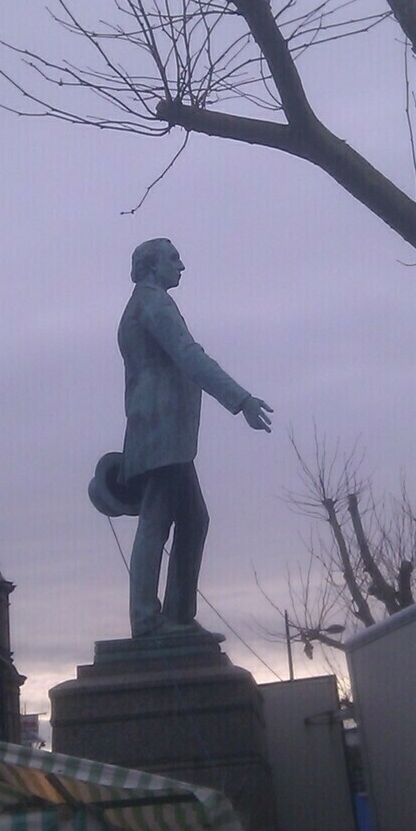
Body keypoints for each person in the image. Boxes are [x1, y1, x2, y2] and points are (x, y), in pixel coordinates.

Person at [117, 237, 272, 640]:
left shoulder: (146, 303)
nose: (182, 266)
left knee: (186, 519)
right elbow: (188, 354)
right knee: (160, 520)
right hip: (161, 429)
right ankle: (152, 619)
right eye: (174, 259)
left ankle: (174, 616)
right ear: (152, 267)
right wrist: (240, 399)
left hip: (160, 430)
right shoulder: (153, 303)